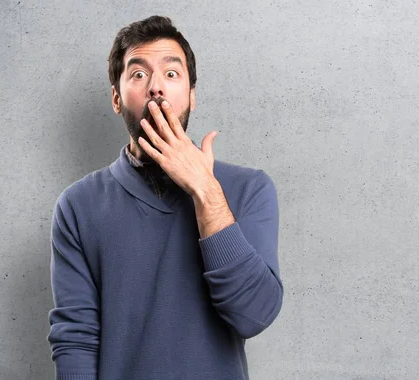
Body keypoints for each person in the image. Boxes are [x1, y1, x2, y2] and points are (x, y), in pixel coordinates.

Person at [46, 15, 284, 380]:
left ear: (191, 95)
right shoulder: (78, 206)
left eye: (171, 74)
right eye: (139, 74)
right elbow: (76, 340)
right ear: (116, 98)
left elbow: (253, 315)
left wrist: (205, 191)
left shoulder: (249, 189)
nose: (156, 87)